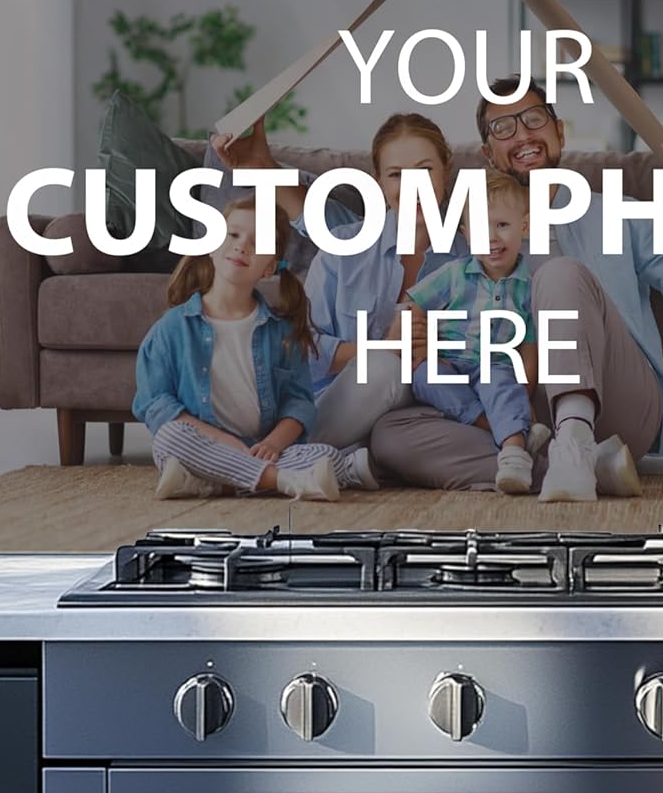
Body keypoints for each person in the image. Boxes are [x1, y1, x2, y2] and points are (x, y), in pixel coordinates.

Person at [371, 78, 663, 502]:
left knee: (559, 274)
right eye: (503, 128)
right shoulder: (471, 233)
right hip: (518, 412)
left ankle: (576, 441)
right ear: (488, 153)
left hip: (615, 400)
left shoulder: (615, 212)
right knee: (390, 436)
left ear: (559, 132)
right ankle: (581, 468)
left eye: (534, 119)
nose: (522, 135)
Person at [210, 112, 464, 478]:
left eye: (425, 171)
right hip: (336, 403)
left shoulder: (472, 260)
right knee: (380, 367)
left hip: (419, 414)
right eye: (396, 175)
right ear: (378, 181)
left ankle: (260, 465)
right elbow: (301, 348)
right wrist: (383, 348)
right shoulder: (344, 247)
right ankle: (292, 461)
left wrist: (435, 350)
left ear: (446, 171)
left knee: (405, 383)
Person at [134, 198, 353, 501]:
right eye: (233, 235)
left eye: (257, 241)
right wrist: (221, 440)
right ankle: (282, 481)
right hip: (200, 444)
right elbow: (155, 404)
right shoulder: (172, 328)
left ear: (269, 267)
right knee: (169, 439)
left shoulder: (282, 333)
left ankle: (214, 484)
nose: (241, 246)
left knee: (328, 456)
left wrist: (274, 444)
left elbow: (299, 404)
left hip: (259, 447)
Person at [405, 169, 551, 495]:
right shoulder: (454, 274)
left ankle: (513, 453)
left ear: (524, 227)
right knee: (425, 377)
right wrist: (422, 345)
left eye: (502, 225)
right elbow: (413, 303)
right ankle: (508, 428)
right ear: (466, 233)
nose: (492, 237)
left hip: (494, 365)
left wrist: (524, 388)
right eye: (482, 227)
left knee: (499, 381)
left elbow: (529, 342)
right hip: (449, 363)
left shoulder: (529, 286)